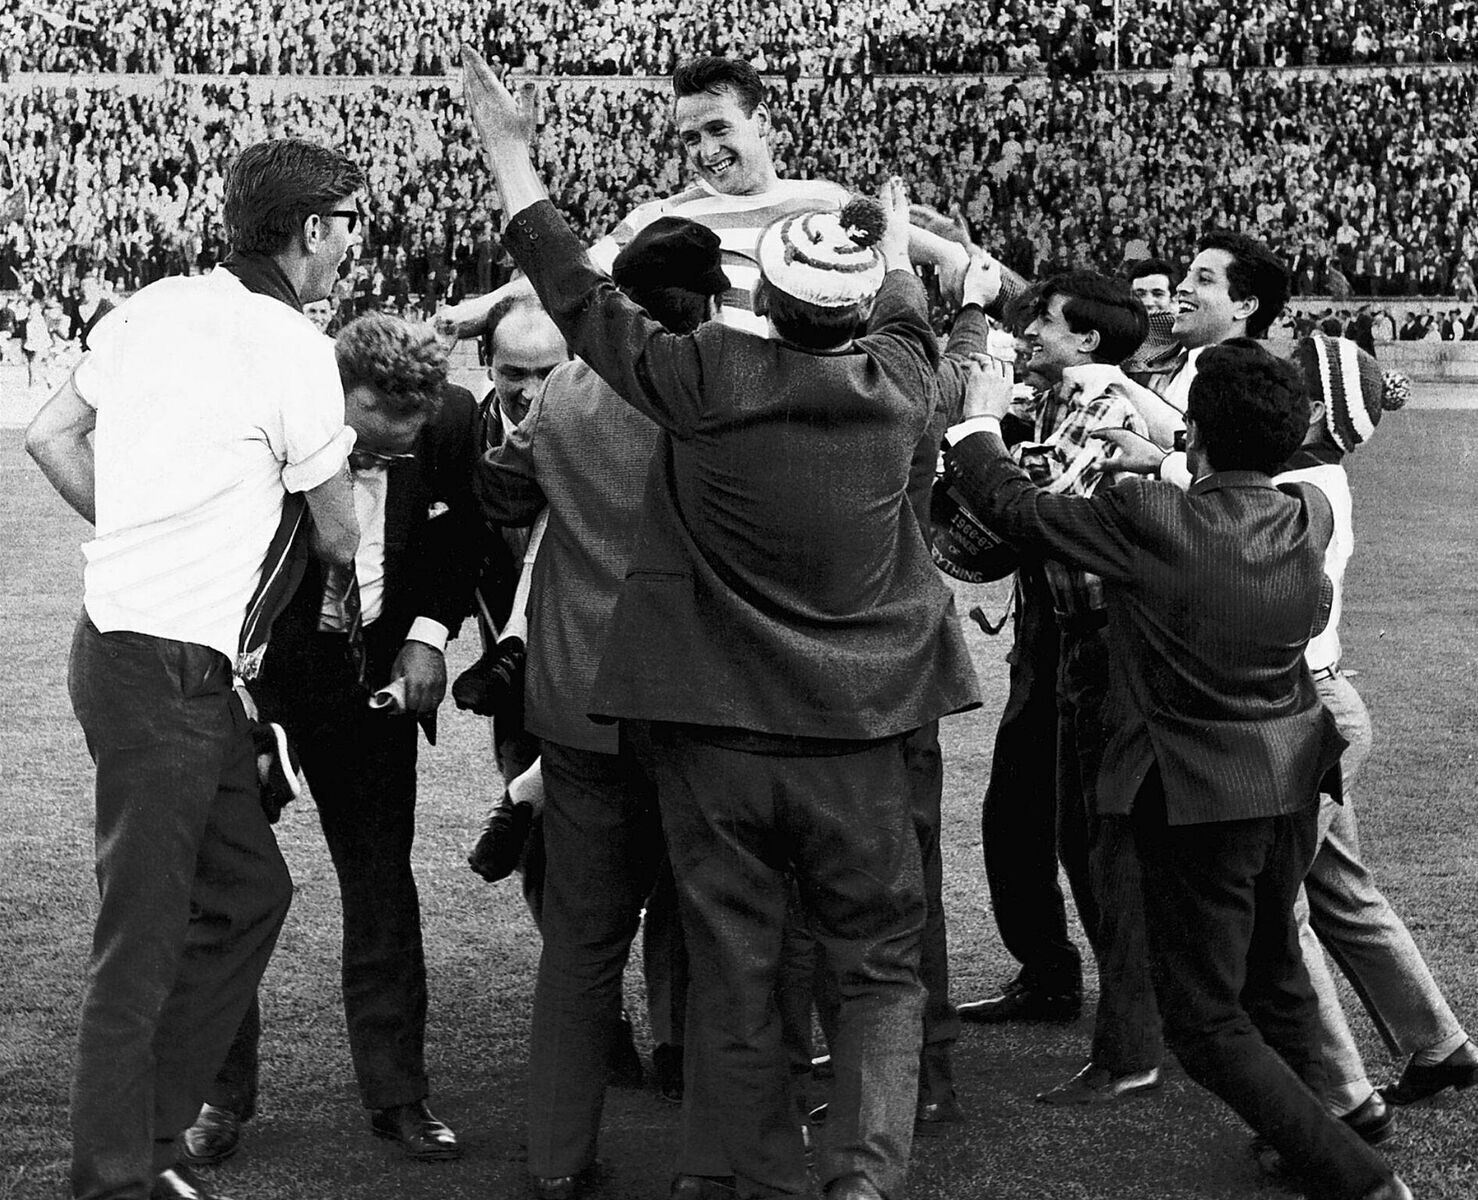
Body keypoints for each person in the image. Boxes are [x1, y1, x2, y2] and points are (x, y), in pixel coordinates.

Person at [462, 47, 980, 1200]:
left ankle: (721, 1170)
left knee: (717, 962)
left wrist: (508, 154)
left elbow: (569, 295)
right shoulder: (900, 383)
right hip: (850, 724)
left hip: (696, 718)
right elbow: (921, 317)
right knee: (868, 968)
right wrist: (906, 250)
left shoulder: (691, 385)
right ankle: (859, 1173)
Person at [944, 338, 1412, 1200]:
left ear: (1195, 432)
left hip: (1195, 798)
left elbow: (1015, 508)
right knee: (1272, 975)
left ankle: (1359, 1177)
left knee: (1204, 1024)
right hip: (1289, 784)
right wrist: (1168, 452)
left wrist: (976, 422)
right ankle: (1336, 1124)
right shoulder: (1308, 507)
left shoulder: (1149, 516)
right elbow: (1232, 487)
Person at [25, 136, 363, 1200]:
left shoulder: (157, 304)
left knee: (250, 892)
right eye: (348, 226)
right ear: (312, 230)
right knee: (141, 939)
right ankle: (112, 1179)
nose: (352, 247)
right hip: (164, 669)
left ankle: (151, 1135)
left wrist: (132, 524)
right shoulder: (296, 346)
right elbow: (339, 531)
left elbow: (50, 434)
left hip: (138, 653)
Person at [183, 313, 487, 1167]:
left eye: (411, 432)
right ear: (333, 396)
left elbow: (461, 534)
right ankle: (216, 1094)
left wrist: (428, 635)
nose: (398, 445)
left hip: (372, 683)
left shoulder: (448, 421)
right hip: (264, 682)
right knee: (227, 888)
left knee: (382, 883)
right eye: (377, 430)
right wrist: (236, 687)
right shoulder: (263, 414)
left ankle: (399, 1095)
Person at [477, 215, 724, 1200]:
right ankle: (712, 1156)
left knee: (581, 943)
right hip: (706, 703)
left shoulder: (565, 393)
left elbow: (503, 493)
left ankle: (556, 1155)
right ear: (709, 299)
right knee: (723, 931)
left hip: (583, 702)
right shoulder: (729, 385)